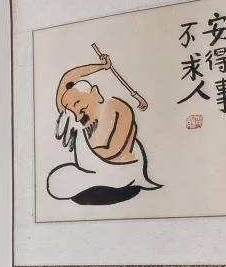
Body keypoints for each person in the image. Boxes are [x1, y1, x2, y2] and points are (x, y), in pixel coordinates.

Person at [46, 47, 160, 206]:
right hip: (94, 172)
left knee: (65, 184)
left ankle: (107, 189)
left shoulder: (117, 108)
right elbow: (68, 78)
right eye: (70, 109)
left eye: (78, 103)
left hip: (121, 169)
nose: (76, 112)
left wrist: (89, 153)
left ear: (95, 93)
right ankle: (93, 188)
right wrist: (101, 67)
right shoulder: (81, 122)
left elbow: (115, 151)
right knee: (54, 182)